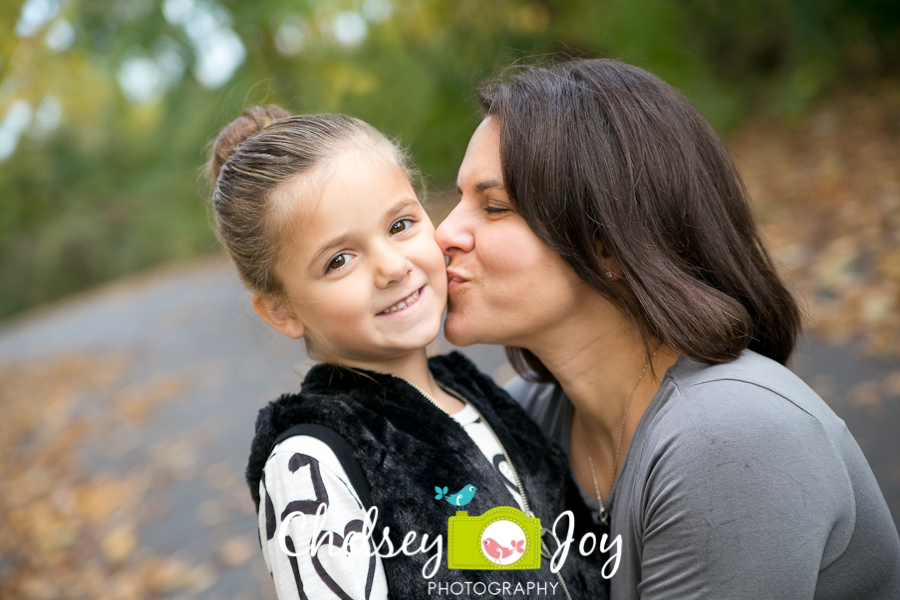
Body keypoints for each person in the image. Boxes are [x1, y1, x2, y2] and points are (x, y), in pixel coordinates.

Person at [435, 58, 900, 599]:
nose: (444, 232)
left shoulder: (728, 440)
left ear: (606, 243)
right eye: (460, 199)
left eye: (493, 207)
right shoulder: (524, 418)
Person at [206, 106, 608, 599]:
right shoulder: (312, 465)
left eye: (399, 225)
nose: (392, 267)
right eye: (339, 260)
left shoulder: (478, 399)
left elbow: (522, 568)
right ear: (281, 310)